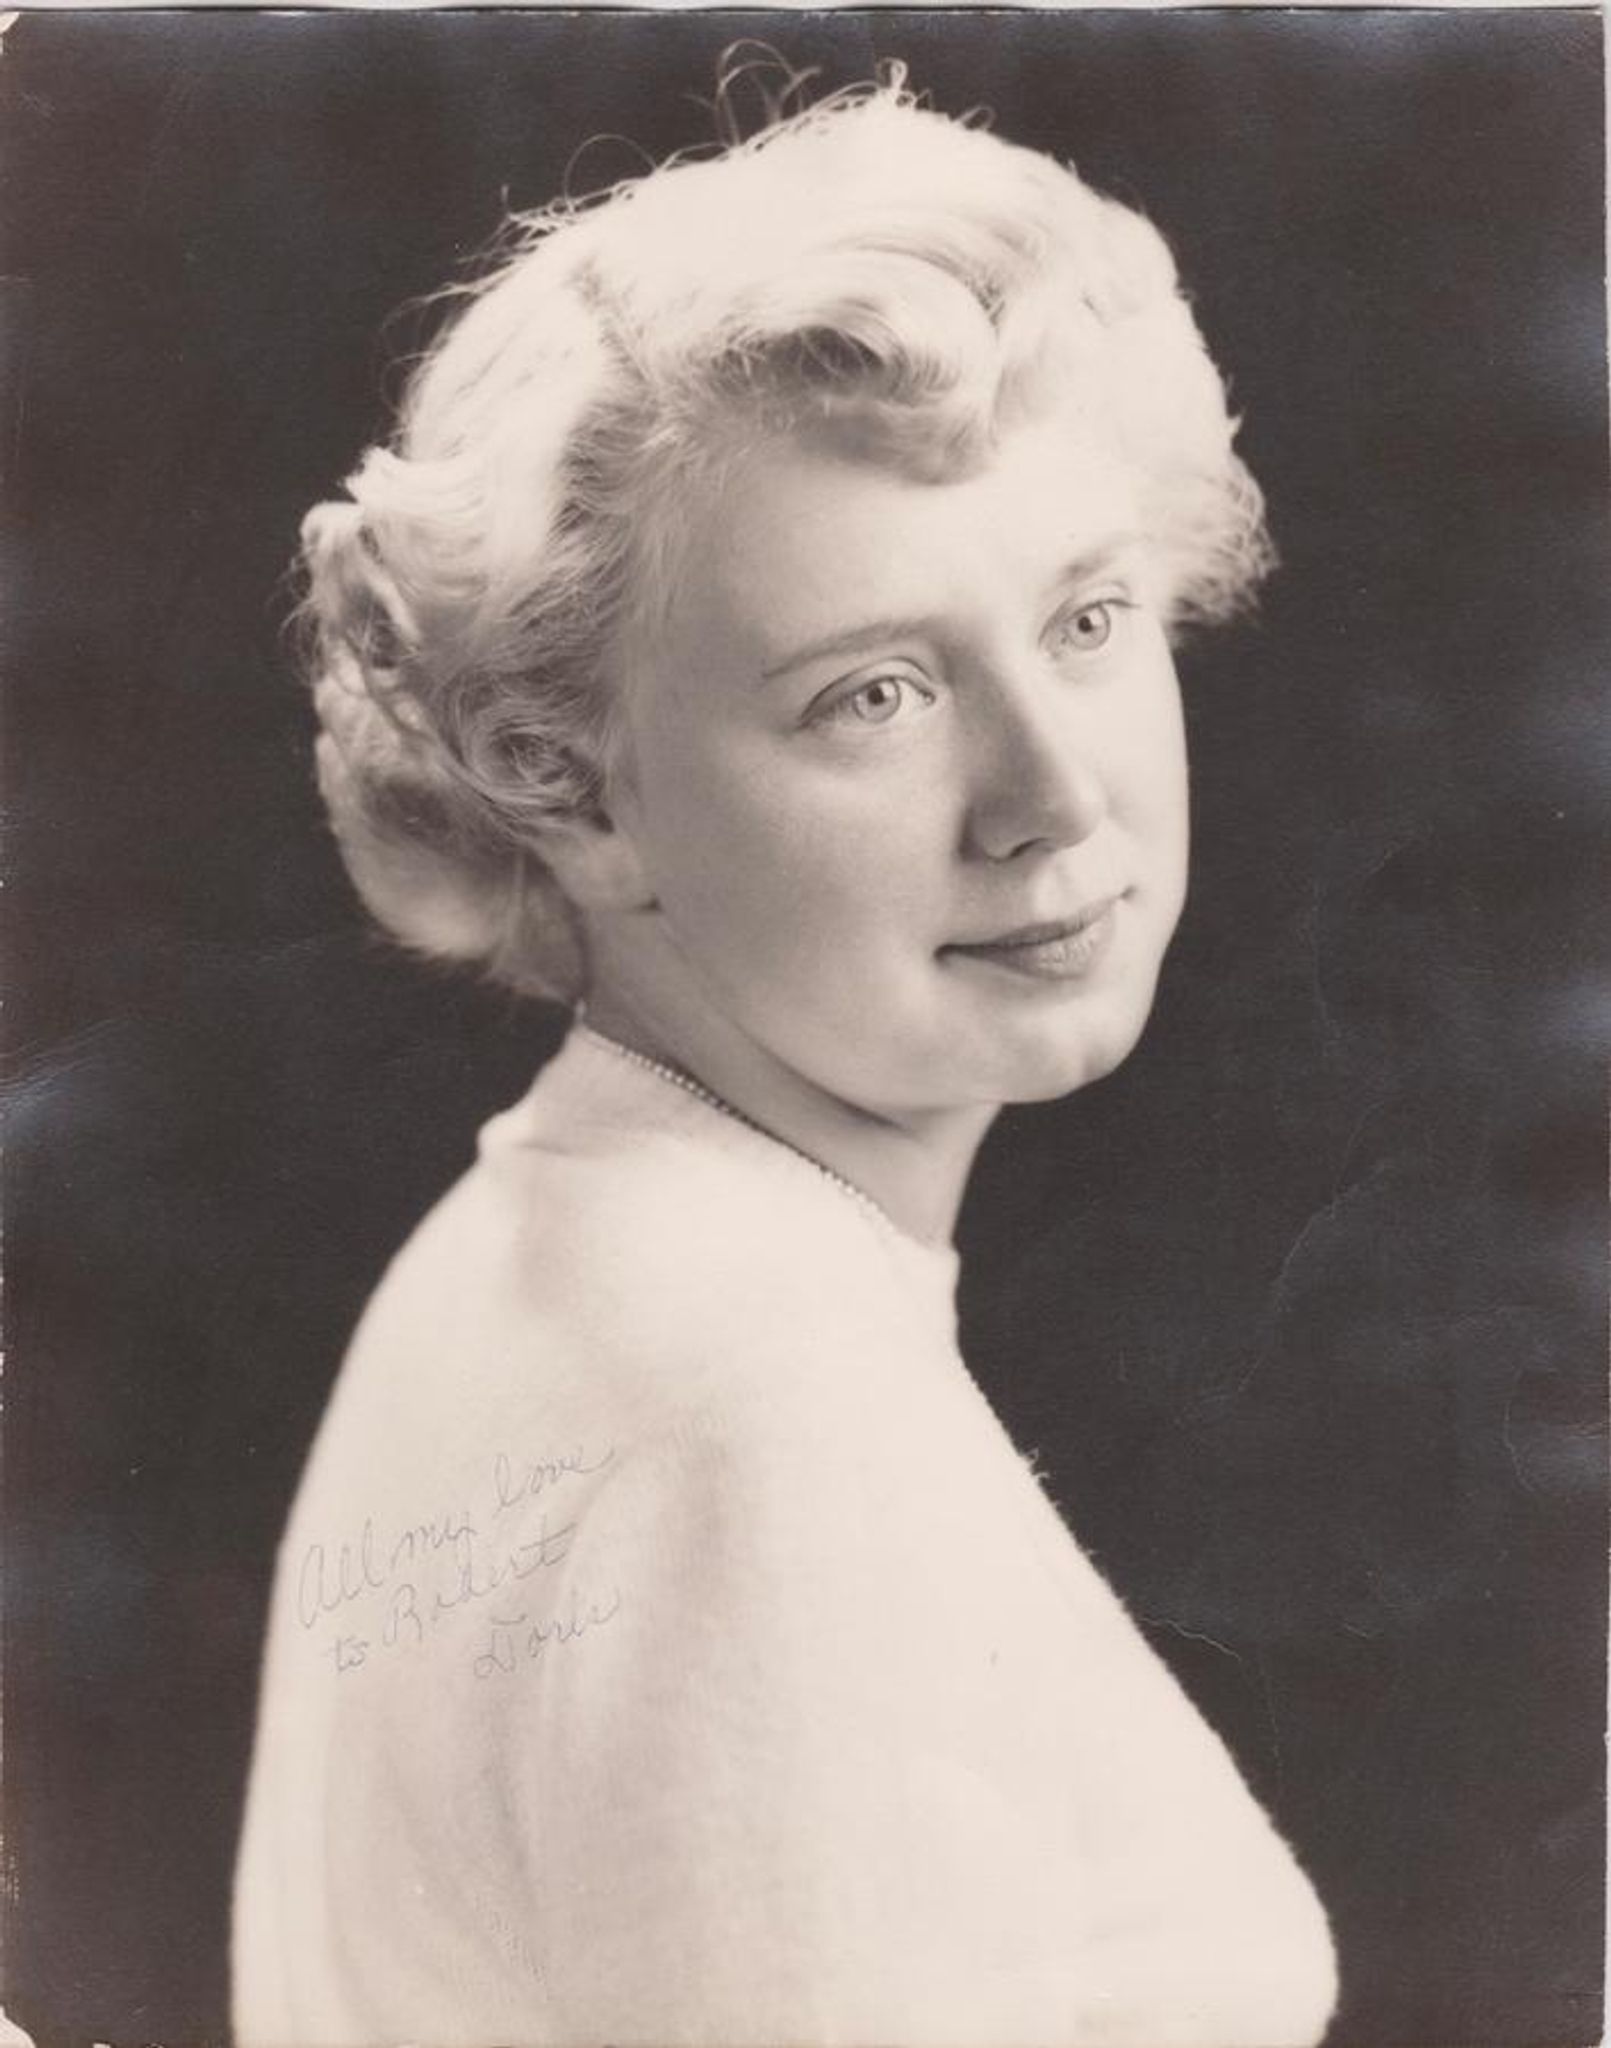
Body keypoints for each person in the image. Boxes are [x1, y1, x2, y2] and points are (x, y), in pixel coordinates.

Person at [233, 65, 1339, 2048]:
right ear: (571, 787)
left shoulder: (576, 1254)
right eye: (873, 693)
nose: (1052, 797)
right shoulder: (759, 1419)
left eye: (1086, 619)